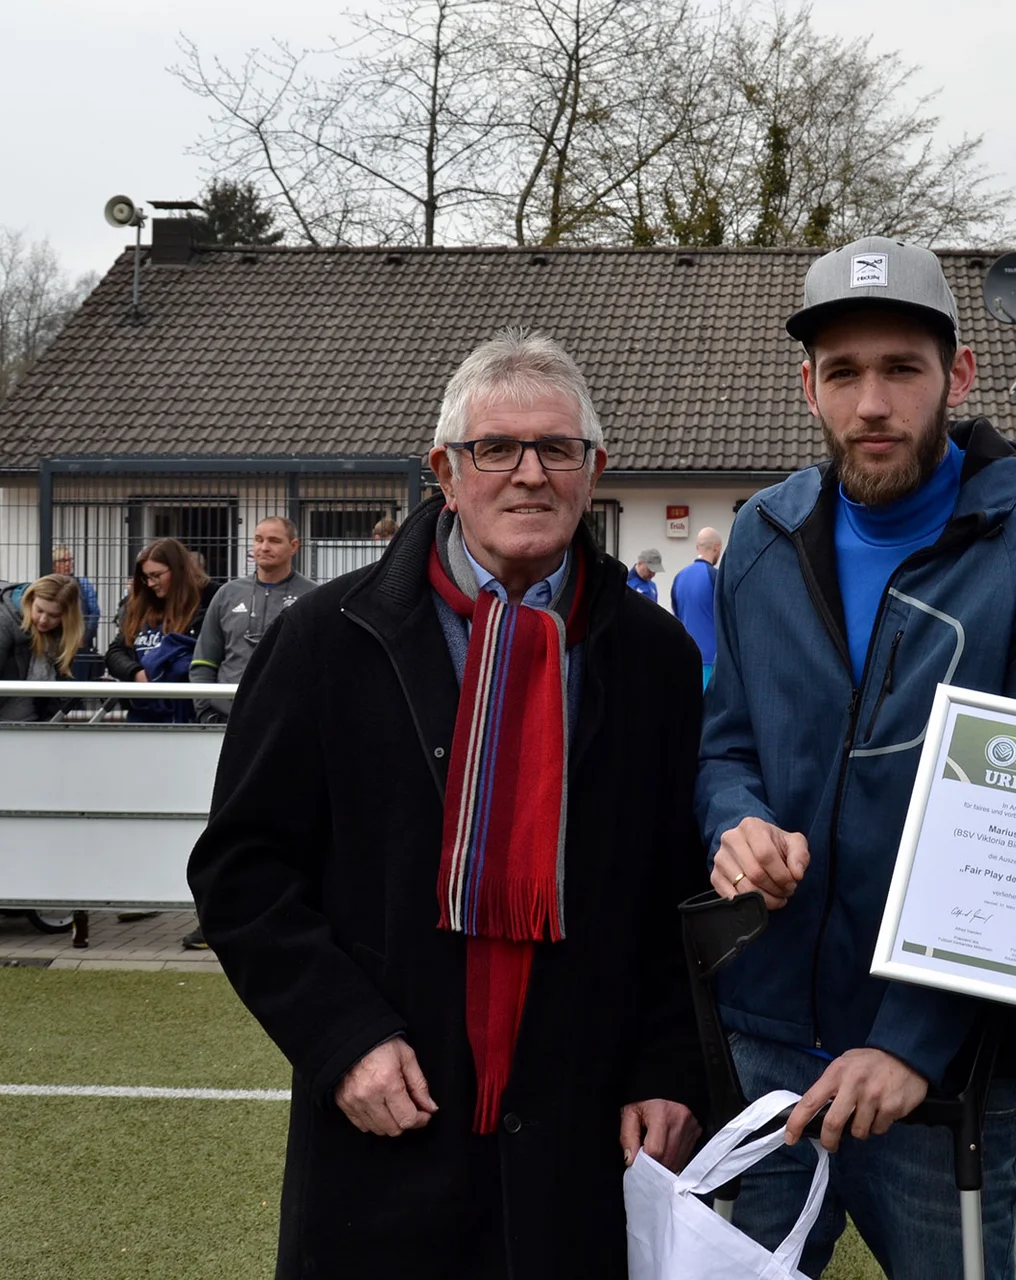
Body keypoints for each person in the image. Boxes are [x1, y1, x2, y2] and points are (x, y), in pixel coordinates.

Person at [187, 328, 710, 1278]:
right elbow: (243, 871)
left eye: (557, 449)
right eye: (495, 448)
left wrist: (667, 1067)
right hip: (389, 1130)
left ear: (594, 470)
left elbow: (675, 896)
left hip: (584, 1138)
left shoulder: (656, 659)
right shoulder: (326, 640)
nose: (529, 474)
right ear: (446, 472)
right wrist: (343, 1037)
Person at [698, 235, 1016, 1279]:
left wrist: (910, 1039)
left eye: (902, 369)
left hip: (949, 1061)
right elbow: (725, 743)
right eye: (843, 373)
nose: (873, 403)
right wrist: (734, 823)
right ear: (809, 387)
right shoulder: (760, 534)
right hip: (764, 1033)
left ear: (957, 375)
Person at [190, 517, 317, 723]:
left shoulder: (313, 596)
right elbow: (203, 661)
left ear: (294, 546)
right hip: (227, 718)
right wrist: (206, 712)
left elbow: (324, 665)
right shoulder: (227, 594)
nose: (264, 547)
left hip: (287, 722)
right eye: (258, 540)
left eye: (274, 541)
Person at [106, 537, 210, 724]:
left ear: (177, 570)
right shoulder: (139, 606)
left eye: (156, 575)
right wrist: (135, 672)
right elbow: (115, 652)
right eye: (146, 577)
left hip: (185, 713)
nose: (151, 583)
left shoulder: (207, 604)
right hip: (141, 712)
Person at [0, 574, 84, 721]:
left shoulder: (61, 636)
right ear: (30, 600)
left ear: (66, 617)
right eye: (39, 610)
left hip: (32, 720)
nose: (44, 620)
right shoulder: (4, 622)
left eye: (54, 615)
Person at [670, 527, 721, 685]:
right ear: (717, 547)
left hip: (684, 657)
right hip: (711, 660)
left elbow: (677, 615)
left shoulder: (679, 577)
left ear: (697, 547)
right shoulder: (716, 577)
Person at [49, 546, 100, 649]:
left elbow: (94, 613)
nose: (68, 564)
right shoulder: (48, 584)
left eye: (70, 560)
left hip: (79, 641)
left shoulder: (83, 584)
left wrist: (84, 638)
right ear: (53, 565)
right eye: (63, 561)